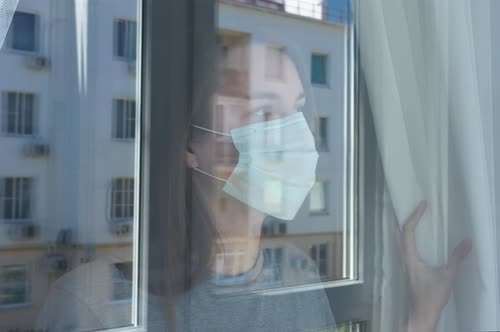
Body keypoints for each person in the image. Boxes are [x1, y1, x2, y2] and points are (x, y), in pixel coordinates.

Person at [37, 37, 472, 332]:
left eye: (297, 113)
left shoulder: (297, 278)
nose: (292, 137)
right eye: (263, 114)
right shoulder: (96, 303)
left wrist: (422, 315)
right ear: (192, 143)